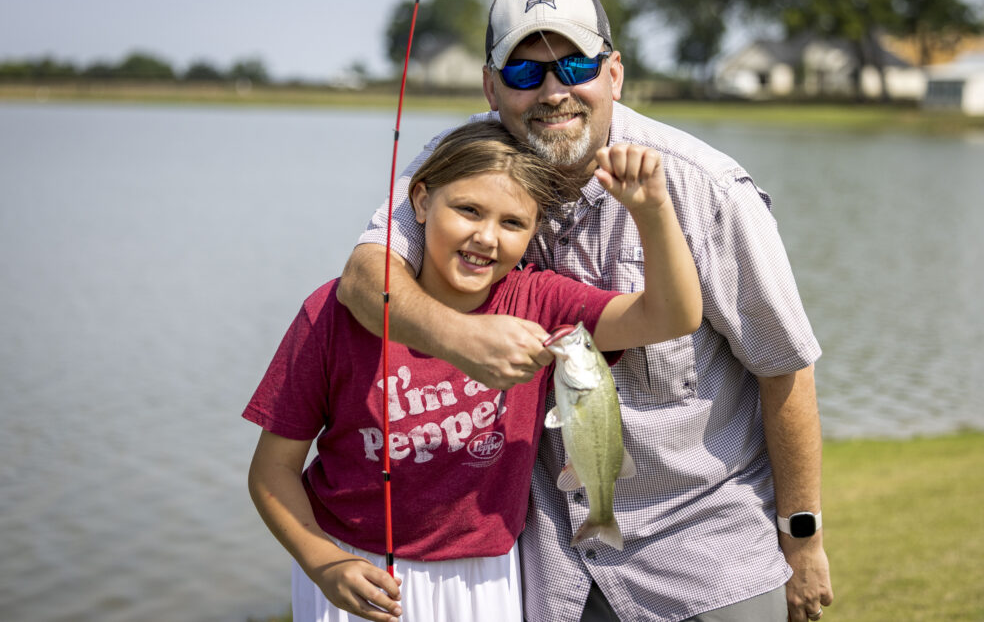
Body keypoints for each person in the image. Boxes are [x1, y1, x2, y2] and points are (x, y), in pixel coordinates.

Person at [339, 0, 835, 622]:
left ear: (614, 74)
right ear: (491, 88)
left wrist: (802, 536)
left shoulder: (705, 185)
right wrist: (460, 337)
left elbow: (785, 369)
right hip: (554, 578)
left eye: (575, 64)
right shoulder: (463, 166)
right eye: (525, 73)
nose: (553, 91)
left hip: (706, 563)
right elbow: (363, 277)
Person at [245, 120, 701, 622]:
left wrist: (653, 211)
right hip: (353, 568)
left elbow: (671, 316)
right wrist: (323, 562)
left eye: (512, 223)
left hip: (488, 578)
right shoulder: (333, 312)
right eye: (468, 210)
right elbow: (273, 471)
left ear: (533, 233)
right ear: (421, 202)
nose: (486, 238)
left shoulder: (540, 301)